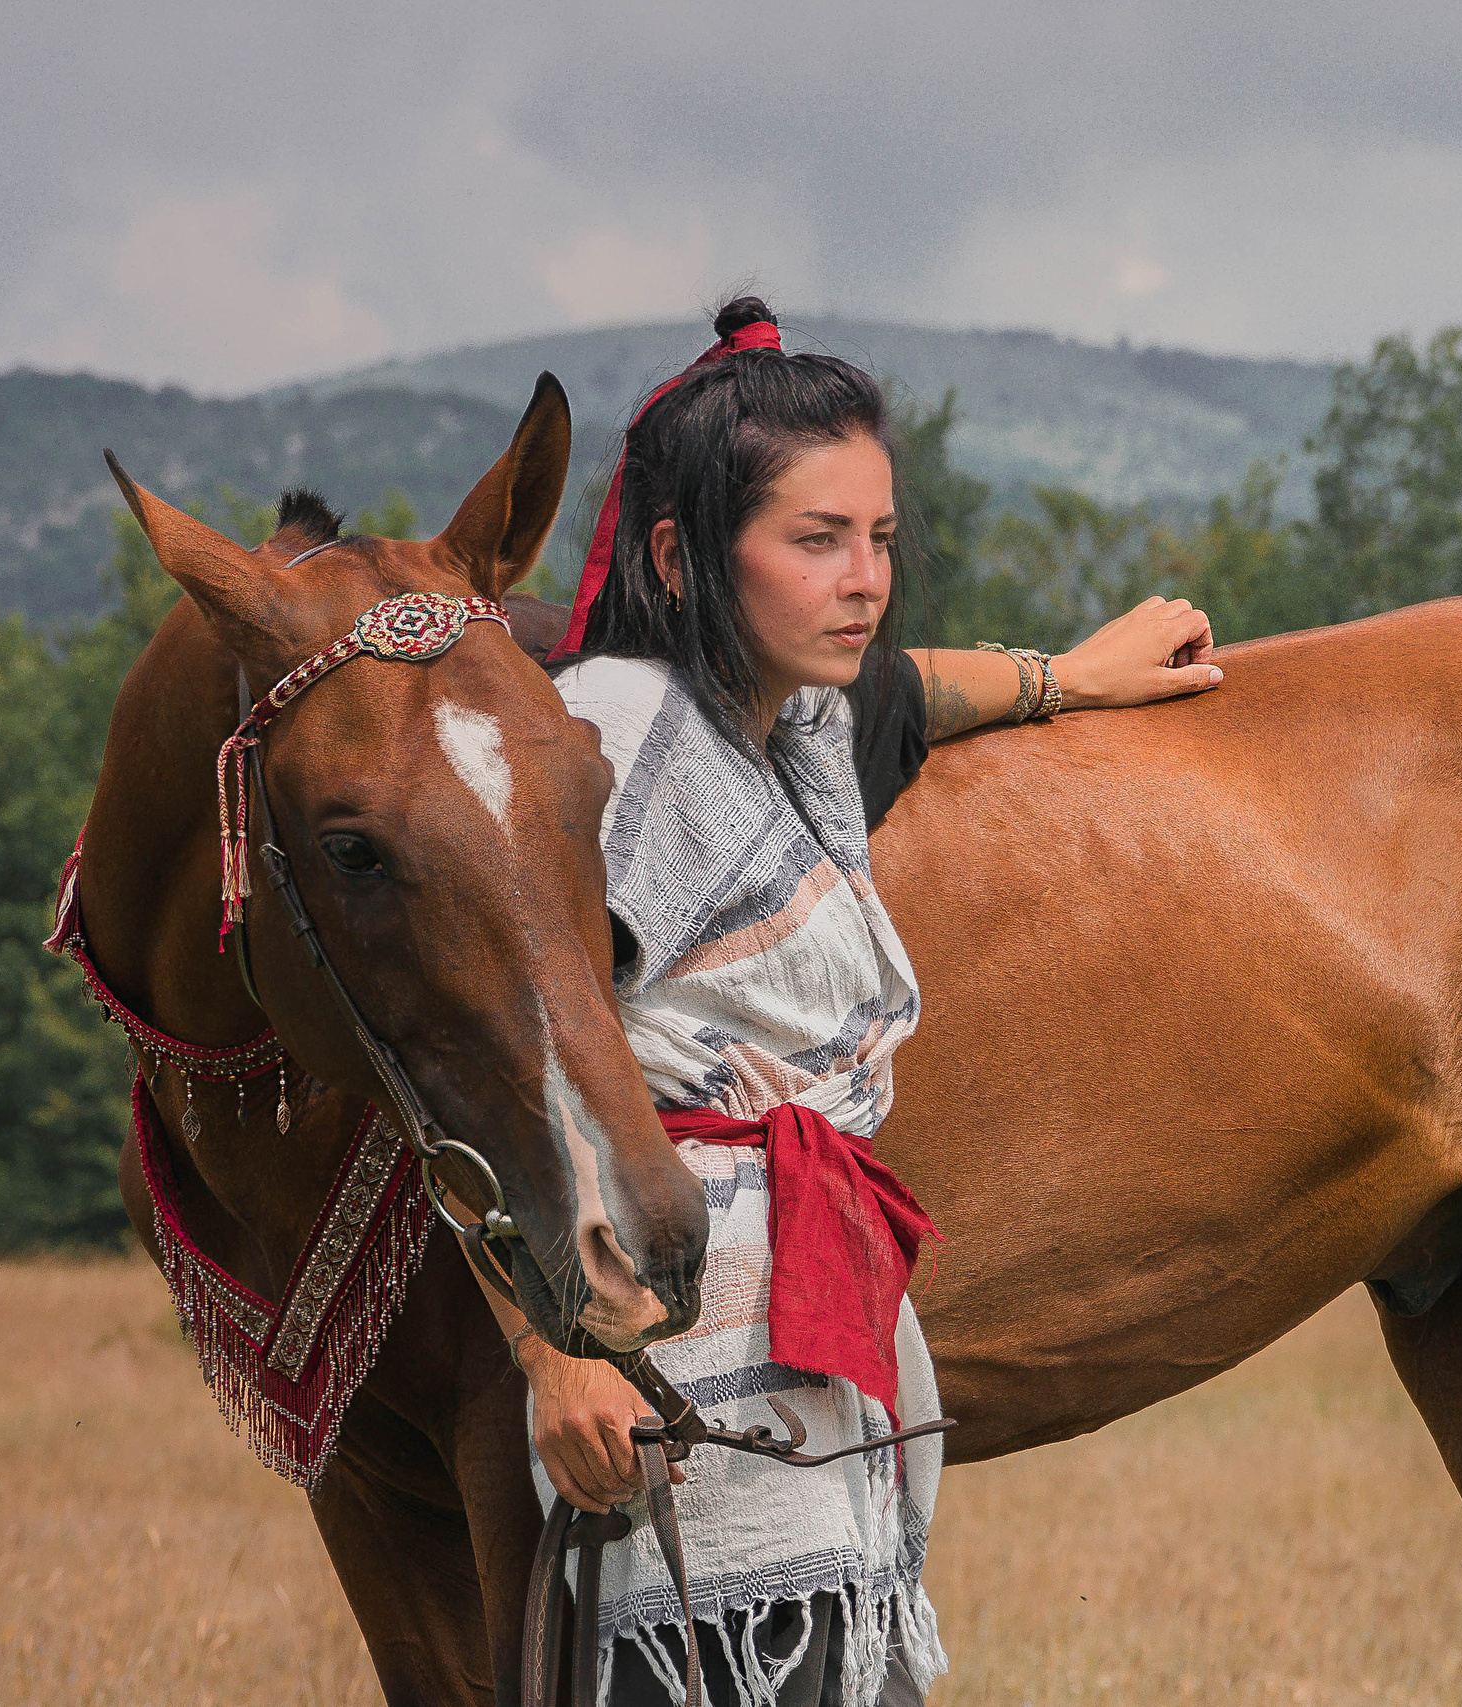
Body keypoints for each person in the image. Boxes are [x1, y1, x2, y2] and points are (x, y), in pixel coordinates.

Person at [477, 296, 1222, 1707]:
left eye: (878, 538)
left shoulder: (790, 721)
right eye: (816, 540)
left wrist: (1070, 678)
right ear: (679, 558)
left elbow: (905, 691)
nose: (864, 580)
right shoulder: (615, 742)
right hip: (659, 1348)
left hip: (808, 1329)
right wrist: (558, 1356)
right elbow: (496, 1058)